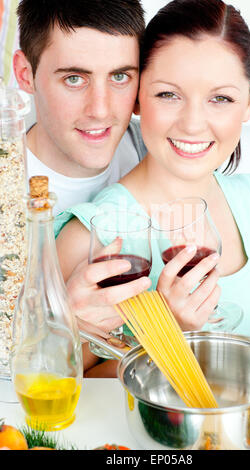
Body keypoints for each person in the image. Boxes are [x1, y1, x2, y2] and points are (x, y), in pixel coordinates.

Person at [56, 0, 250, 377]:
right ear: (136, 98)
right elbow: (72, 385)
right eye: (168, 94)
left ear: (249, 101)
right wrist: (169, 332)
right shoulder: (92, 234)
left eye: (221, 98)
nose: (194, 124)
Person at [13, 0, 152, 339]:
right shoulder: (7, 186)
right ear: (25, 74)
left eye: (120, 77)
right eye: (74, 78)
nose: (100, 110)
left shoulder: (154, 150)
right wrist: (53, 326)